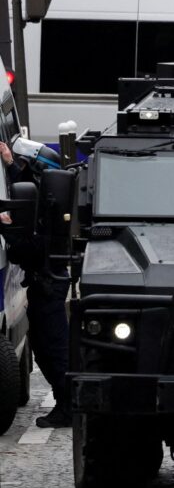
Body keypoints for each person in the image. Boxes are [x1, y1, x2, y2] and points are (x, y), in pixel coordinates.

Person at [0, 140, 71, 427]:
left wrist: (5, 227)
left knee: (54, 349)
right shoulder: (46, 199)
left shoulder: (47, 208)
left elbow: (27, 248)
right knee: (44, 347)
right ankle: (65, 403)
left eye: (25, 164)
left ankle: (68, 407)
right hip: (46, 282)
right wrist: (9, 162)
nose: (22, 169)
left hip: (48, 285)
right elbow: (24, 188)